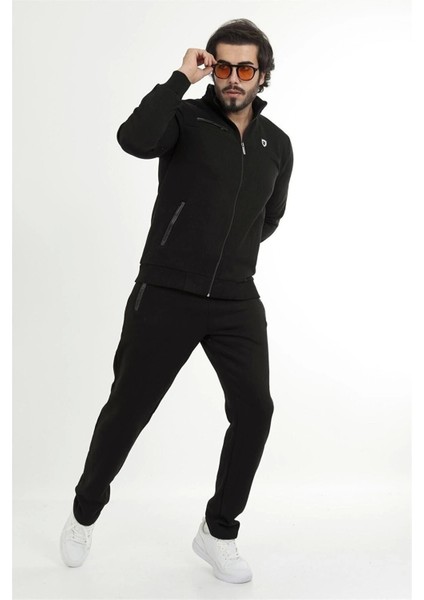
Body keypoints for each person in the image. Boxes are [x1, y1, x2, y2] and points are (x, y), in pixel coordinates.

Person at [60, 18, 294, 584]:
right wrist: (178, 79)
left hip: (235, 298)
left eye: (245, 68)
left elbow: (270, 217)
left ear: (263, 75)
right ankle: (84, 511)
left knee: (255, 410)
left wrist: (228, 253)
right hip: (166, 291)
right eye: (223, 66)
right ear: (210, 68)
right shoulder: (184, 119)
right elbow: (134, 139)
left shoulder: (277, 144)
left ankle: (218, 531)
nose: (233, 78)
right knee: (129, 408)